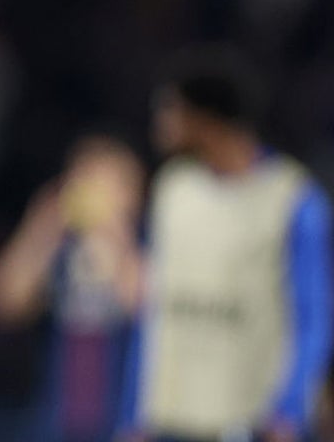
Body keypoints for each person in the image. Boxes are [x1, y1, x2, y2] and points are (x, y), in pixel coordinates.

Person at [118, 46, 333, 442]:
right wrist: (132, 415)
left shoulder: (292, 200)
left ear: (205, 117)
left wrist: (288, 413)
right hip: (173, 421)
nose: (161, 121)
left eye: (171, 109)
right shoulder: (173, 190)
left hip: (249, 423)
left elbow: (313, 318)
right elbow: (154, 311)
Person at [0, 131, 145, 442]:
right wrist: (41, 230)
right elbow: (3, 303)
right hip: (54, 418)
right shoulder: (59, 249)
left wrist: (116, 238)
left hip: (121, 420)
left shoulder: (143, 245)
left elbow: (148, 308)